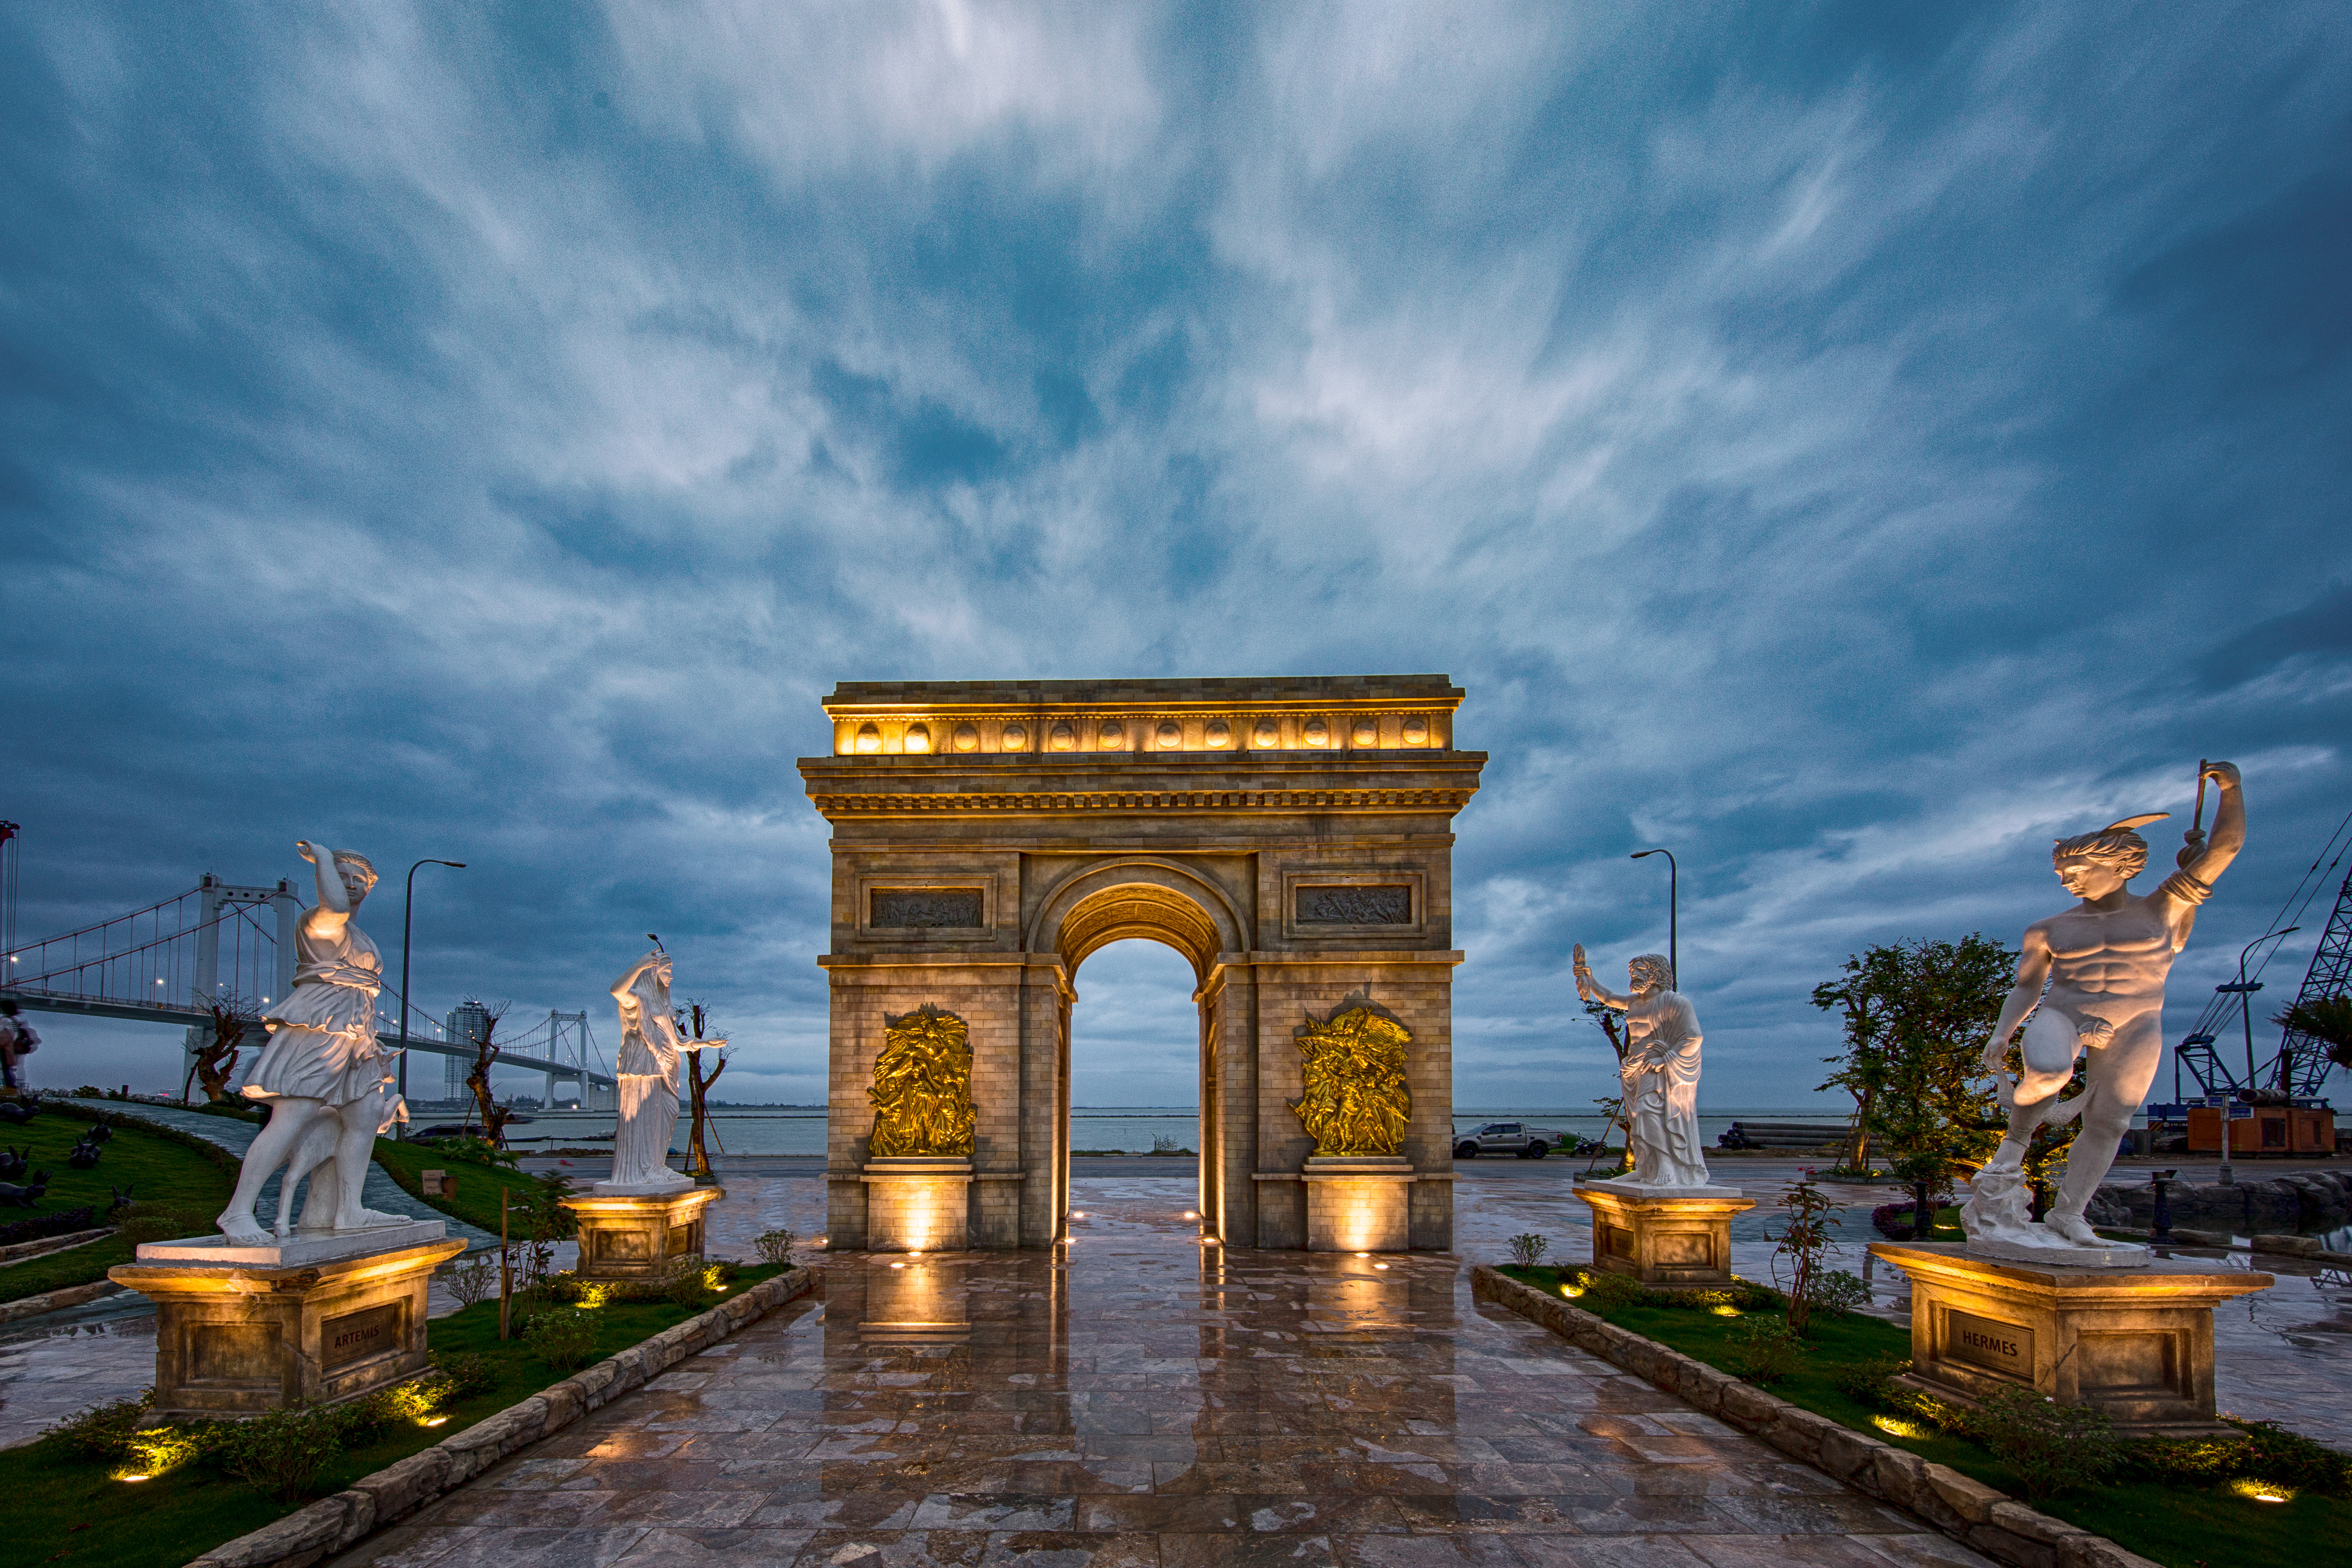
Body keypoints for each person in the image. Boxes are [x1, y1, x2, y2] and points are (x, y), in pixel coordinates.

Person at [1968, 761, 2246, 1248]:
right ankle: (2013, 1149)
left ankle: (2068, 1214)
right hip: (2064, 1013)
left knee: (2112, 1119)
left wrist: (2231, 788)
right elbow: (2027, 988)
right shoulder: (2049, 928)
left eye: (2077, 871)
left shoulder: (2164, 908)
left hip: (2135, 1021)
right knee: (2051, 1071)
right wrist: (2003, 1031)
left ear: (2117, 866)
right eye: (2062, 873)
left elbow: (2226, 848)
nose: (2067, 881)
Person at [215, 840, 408, 1244]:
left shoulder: (359, 936)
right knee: (293, 1116)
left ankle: (349, 1211)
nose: (352, 885)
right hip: (319, 1026)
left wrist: (369, 1040)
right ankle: (237, 1213)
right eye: (342, 878)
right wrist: (322, 859)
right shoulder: (320, 921)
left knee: (366, 1115)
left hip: (358, 1033)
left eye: (360, 880)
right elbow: (336, 906)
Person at [1573, 946, 1713, 1188]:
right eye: (1632, 971)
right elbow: (1607, 997)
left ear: (1656, 974)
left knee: (1647, 1110)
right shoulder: (1634, 1003)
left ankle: (1668, 1164)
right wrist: (1588, 977)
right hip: (1634, 1068)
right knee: (1637, 1118)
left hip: (1656, 1066)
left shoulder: (1674, 1002)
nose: (1634, 976)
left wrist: (1667, 1058)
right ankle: (1647, 1168)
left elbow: (1693, 1038)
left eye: (1639, 970)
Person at [604, 946, 716, 1191]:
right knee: (645, 1118)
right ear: (651, 972)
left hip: (664, 1067)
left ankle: (656, 1165)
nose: (671, 977)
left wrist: (704, 1042)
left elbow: (676, 1041)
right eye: (666, 971)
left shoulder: (665, 1006)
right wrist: (639, 966)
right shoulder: (637, 998)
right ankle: (641, 1170)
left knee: (668, 1111)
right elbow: (616, 991)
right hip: (642, 1066)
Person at [0, 1000, 37, 1090]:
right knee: (7, 1068)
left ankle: (10, 1088)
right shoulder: (12, 1020)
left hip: (6, 1047)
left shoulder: (6, 1020)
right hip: (9, 1048)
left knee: (6, 1068)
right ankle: (11, 1087)